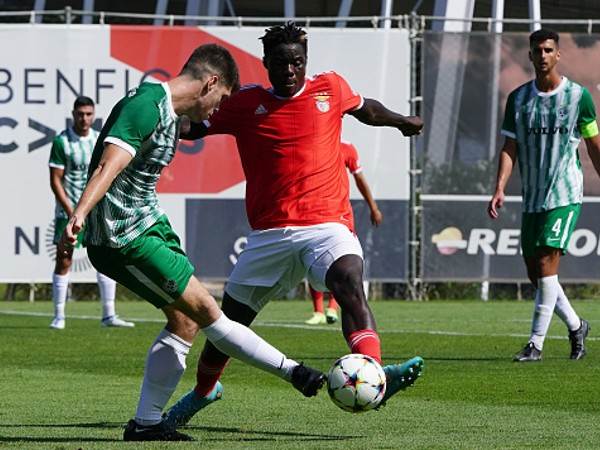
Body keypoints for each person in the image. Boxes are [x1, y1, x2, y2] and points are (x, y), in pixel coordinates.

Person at [59, 44, 326, 442]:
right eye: (221, 100)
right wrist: (79, 214)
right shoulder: (146, 104)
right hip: (121, 237)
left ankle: (146, 424)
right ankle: (293, 371)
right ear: (211, 83)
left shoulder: (172, 116)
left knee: (184, 321)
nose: (218, 110)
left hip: (149, 227)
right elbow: (107, 164)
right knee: (206, 309)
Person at [164, 22, 425, 428]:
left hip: (326, 225)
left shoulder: (330, 88)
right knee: (224, 327)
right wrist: (162, 120)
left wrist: (398, 120)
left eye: (297, 62)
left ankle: (373, 371)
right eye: (282, 63)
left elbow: (366, 108)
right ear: (266, 63)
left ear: (306, 61)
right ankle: (203, 391)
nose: (290, 70)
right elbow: (195, 125)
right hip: (269, 236)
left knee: (349, 280)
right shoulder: (245, 103)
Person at [488, 29, 600, 362]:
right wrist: (499, 187)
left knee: (545, 261)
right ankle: (577, 325)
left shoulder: (578, 97)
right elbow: (510, 147)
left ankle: (535, 344)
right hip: (533, 197)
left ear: (558, 55)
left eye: (549, 50)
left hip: (565, 194)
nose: (543, 56)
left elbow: (593, 142)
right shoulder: (519, 99)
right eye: (537, 51)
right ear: (530, 56)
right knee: (536, 274)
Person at [48, 96, 134, 330]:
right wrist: (72, 212)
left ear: (93, 115)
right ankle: (59, 316)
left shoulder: (100, 140)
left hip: (96, 211)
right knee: (64, 259)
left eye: (88, 114)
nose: (84, 118)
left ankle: (109, 315)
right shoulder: (61, 142)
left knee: (106, 259)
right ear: (73, 114)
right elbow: (56, 181)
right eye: (80, 114)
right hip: (67, 211)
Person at [305, 140, 383, 326]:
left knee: (338, 263)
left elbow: (359, 178)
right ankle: (319, 311)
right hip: (312, 213)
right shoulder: (310, 144)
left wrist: (373, 207)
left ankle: (333, 307)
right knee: (311, 261)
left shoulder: (346, 148)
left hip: (339, 216)